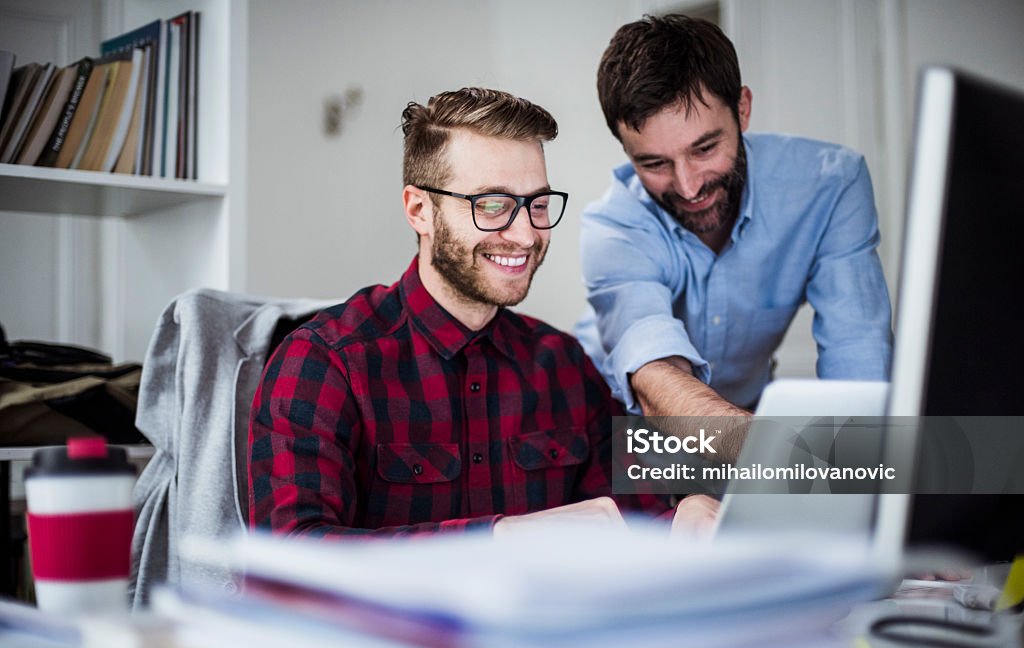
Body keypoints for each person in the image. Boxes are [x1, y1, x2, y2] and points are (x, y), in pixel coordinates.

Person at [247, 87, 693, 537]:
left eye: (537, 204)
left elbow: (645, 522)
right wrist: (499, 539)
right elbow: (289, 562)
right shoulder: (325, 363)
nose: (524, 235)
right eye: (492, 205)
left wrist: (689, 514)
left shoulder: (565, 366)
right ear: (419, 210)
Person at [575, 14, 893, 419]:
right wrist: (784, 451)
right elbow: (658, 379)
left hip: (744, 412)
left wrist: (854, 460)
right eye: (655, 163)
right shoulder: (614, 225)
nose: (688, 187)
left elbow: (858, 358)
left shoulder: (830, 187)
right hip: (617, 421)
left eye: (705, 149)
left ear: (742, 110)